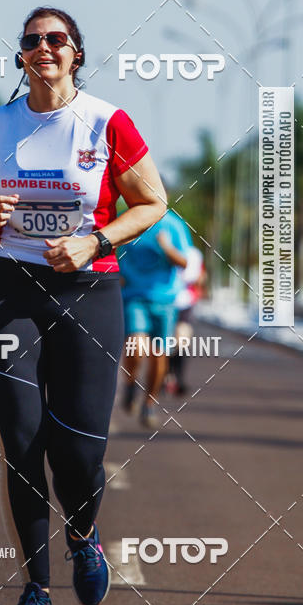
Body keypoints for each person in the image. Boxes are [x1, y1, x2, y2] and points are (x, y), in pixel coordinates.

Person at [0, 6, 165, 605]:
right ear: (21, 56)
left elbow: (152, 203)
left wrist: (94, 242)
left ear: (76, 52)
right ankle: (36, 592)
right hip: (9, 293)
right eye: (32, 40)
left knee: (78, 451)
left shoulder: (106, 122)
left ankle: (82, 533)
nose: (43, 47)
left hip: (88, 293)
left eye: (56, 39)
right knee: (22, 443)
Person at [119, 183, 191, 428]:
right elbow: (110, 249)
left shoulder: (174, 225)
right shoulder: (128, 219)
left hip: (164, 300)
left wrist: (166, 247)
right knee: (136, 343)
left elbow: (185, 262)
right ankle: (130, 383)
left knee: (159, 355)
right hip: (134, 296)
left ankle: (149, 403)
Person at [170, 244, 206, 395]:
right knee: (164, 340)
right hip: (165, 301)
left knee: (182, 339)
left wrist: (198, 285)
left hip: (185, 302)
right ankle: (166, 375)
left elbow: (201, 276)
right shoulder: (163, 245)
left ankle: (178, 378)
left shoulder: (194, 253)